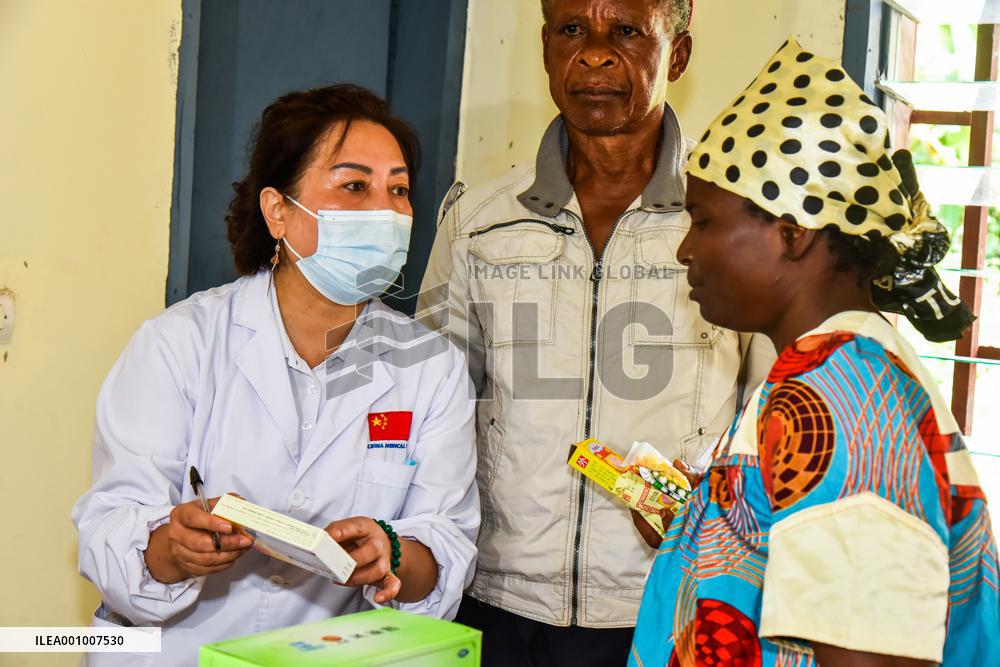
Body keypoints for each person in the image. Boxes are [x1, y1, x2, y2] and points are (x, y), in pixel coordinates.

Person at [72, 84, 479, 667]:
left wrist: (392, 555)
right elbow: (109, 534)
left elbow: (444, 546)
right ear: (279, 211)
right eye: (355, 185)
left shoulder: (431, 369)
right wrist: (173, 546)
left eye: (399, 190)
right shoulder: (179, 343)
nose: (386, 212)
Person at [418, 0, 772, 664]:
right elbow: (430, 413)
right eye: (572, 30)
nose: (596, 53)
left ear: (681, 53)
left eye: (628, 33)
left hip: (672, 603)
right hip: (498, 606)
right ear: (546, 47)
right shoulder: (478, 222)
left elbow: (774, 416)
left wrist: (711, 502)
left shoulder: (734, 224)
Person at [630, 38, 999, 666]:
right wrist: (702, 527)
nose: (685, 250)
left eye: (706, 220)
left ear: (792, 234)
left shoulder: (844, 399)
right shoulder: (823, 374)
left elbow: (871, 656)